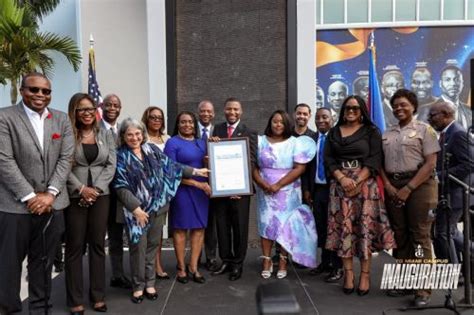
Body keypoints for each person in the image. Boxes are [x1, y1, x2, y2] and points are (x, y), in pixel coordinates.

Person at [0, 73, 74, 314]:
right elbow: (4, 160)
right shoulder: (5, 117)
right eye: (34, 90)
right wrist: (31, 197)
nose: (41, 95)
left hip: (52, 205)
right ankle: (9, 308)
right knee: (9, 265)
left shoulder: (62, 120)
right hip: (14, 207)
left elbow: (66, 158)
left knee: (43, 264)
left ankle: (40, 309)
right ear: (22, 91)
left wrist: (50, 194)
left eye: (46, 91)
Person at [113, 118, 208, 303]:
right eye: (130, 134)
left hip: (157, 207)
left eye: (138, 133)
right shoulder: (119, 156)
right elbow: (120, 185)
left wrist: (196, 172)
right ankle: (138, 286)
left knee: (151, 247)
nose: (134, 137)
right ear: (123, 136)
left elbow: (172, 166)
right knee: (137, 249)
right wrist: (136, 209)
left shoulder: (153, 150)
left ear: (143, 134)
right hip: (136, 213)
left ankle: (150, 283)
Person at [325, 95, 395, 296]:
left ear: (362, 110)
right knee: (344, 231)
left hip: (365, 186)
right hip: (340, 187)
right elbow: (328, 159)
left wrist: (357, 181)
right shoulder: (333, 132)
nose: (351, 111)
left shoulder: (371, 131)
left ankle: (365, 275)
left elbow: (375, 159)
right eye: (347, 108)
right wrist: (342, 179)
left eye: (355, 108)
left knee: (364, 231)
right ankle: (348, 274)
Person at [381, 89, 439, 307]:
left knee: (419, 236)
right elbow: (380, 163)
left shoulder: (427, 130)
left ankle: (422, 288)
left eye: (403, 104)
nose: (399, 108)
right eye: (395, 105)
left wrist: (408, 188)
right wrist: (388, 185)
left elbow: (430, 163)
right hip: (394, 187)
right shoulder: (386, 133)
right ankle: (405, 281)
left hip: (420, 187)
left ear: (413, 106)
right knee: (400, 235)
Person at [65, 93, 116, 314]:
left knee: (97, 245)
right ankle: (75, 300)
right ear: (74, 112)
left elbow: (110, 165)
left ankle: (98, 296)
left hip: (100, 196)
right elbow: (62, 165)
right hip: (75, 196)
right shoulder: (67, 135)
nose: (87, 113)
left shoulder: (105, 134)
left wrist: (95, 189)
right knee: (75, 247)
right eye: (82, 109)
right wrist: (81, 189)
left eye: (90, 109)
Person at [253, 110, 317, 279]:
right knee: (266, 225)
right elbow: (253, 167)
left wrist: (278, 185)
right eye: (275, 121)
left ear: (287, 124)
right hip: (265, 190)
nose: (278, 125)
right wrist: (263, 184)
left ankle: (283, 261)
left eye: (281, 122)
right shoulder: (259, 141)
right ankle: (266, 260)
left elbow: (300, 168)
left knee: (286, 227)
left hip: (288, 192)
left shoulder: (295, 143)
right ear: (270, 123)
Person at [211, 97, 257, 281]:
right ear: (224, 110)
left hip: (240, 190)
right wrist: (212, 144)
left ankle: (238, 263)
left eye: (236, 109)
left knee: (239, 227)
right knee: (222, 226)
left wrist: (242, 185)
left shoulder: (249, 132)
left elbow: (252, 160)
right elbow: (214, 155)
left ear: (241, 111)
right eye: (229, 109)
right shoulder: (218, 129)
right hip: (221, 188)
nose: (232, 112)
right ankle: (226, 260)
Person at [165, 111, 211, 283]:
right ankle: (181, 267)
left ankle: (193, 267)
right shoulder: (172, 143)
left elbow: (209, 164)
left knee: (199, 229)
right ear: (178, 124)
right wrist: (197, 184)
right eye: (183, 122)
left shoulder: (202, 143)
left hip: (202, 193)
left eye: (190, 122)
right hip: (182, 190)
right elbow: (171, 170)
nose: (187, 125)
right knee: (180, 229)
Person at [428, 101, 474, 264]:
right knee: (450, 232)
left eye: (432, 115)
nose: (429, 119)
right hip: (447, 193)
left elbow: (469, 164)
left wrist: (438, 176)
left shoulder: (458, 133)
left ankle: (453, 273)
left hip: (456, 193)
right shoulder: (447, 133)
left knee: (444, 232)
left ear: (446, 115)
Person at [303, 108, 343, 282]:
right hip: (317, 190)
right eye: (318, 118)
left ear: (332, 118)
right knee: (321, 228)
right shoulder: (311, 139)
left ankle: (338, 266)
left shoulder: (338, 137)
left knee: (335, 228)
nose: (321, 120)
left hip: (334, 189)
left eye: (325, 117)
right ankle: (325, 263)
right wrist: (307, 189)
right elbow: (306, 167)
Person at [101, 94, 132, 289]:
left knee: (118, 235)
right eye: (109, 104)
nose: (112, 108)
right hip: (101, 192)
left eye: (116, 105)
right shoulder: (94, 129)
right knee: (103, 237)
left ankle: (118, 275)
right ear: (102, 106)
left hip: (123, 193)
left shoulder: (124, 131)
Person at [141, 106, 171, 280]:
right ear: (147, 119)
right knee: (145, 231)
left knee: (158, 231)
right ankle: (144, 267)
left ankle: (157, 263)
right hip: (145, 192)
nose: (156, 120)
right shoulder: (141, 138)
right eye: (152, 117)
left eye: (159, 117)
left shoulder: (168, 139)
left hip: (163, 192)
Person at [195, 100, 219, 272]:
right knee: (192, 222)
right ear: (198, 112)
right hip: (193, 183)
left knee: (211, 223)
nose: (205, 114)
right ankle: (192, 259)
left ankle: (210, 257)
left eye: (209, 111)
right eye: (202, 111)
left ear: (214, 114)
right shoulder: (188, 128)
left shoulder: (219, 131)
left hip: (216, 183)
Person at [438, 64, 472, 129]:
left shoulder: (469, 111)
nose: (453, 84)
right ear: (440, 84)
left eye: (457, 80)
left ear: (462, 84)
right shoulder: (428, 110)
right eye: (447, 79)